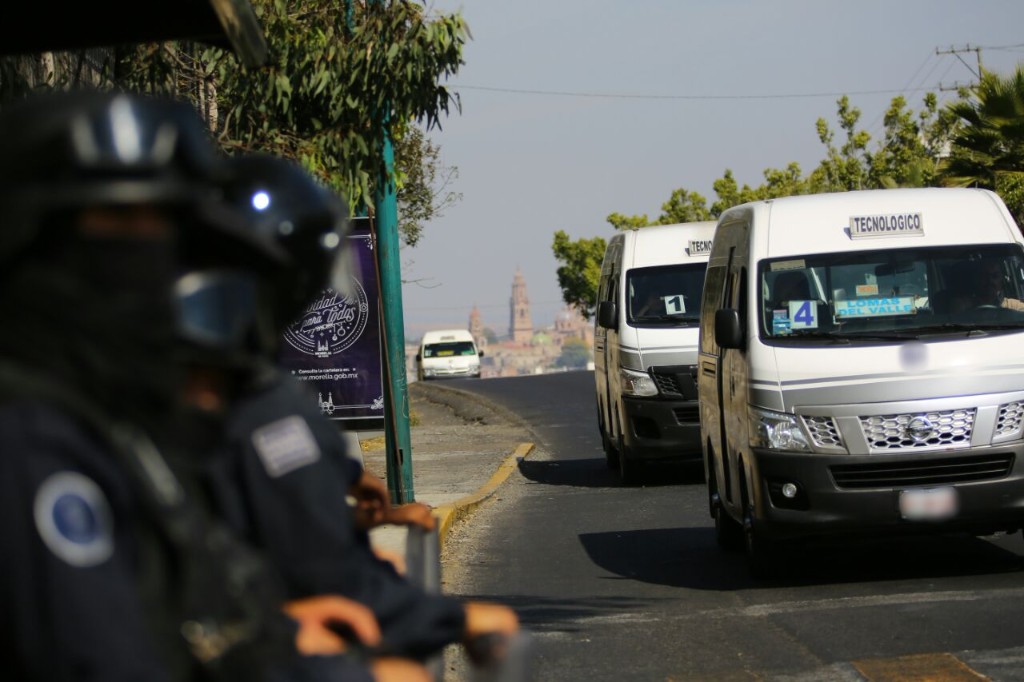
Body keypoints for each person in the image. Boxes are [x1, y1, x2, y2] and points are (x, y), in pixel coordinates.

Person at [0, 89, 408, 681]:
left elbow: (178, 601)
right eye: (120, 225)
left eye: (170, 234)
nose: (154, 262)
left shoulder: (114, 416)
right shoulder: (34, 436)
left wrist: (274, 636)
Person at [197, 152, 520, 668]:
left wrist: (356, 492)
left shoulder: (226, 381)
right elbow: (328, 571)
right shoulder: (259, 406)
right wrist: (453, 620)